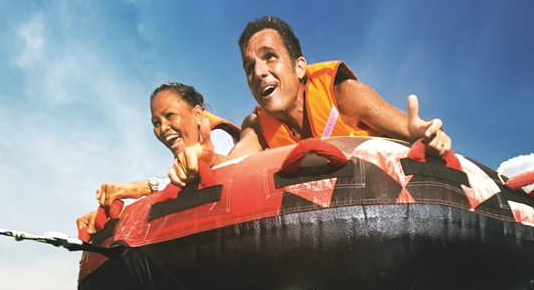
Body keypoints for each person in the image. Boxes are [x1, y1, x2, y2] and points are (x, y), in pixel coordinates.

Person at [167, 15, 451, 187]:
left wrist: (429, 136)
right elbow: (232, 165)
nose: (258, 72)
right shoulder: (257, 126)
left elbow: (413, 130)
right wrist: (205, 160)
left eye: (270, 57)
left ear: (300, 67)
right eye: (249, 67)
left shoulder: (344, 95)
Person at [77, 82, 239, 237]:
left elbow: (212, 168)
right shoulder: (179, 167)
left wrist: (138, 188)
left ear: (197, 114)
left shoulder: (220, 136)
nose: (163, 128)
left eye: (170, 115)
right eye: (156, 123)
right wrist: (119, 213)